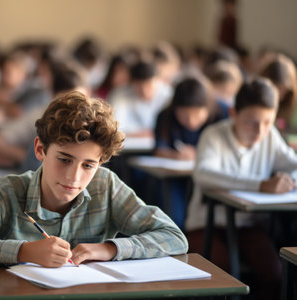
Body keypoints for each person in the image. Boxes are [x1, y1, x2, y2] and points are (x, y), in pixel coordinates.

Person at [0, 91, 188, 268]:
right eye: (64, 159)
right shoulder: (6, 192)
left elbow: (174, 237)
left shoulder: (105, 185)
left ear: (101, 163)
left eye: (88, 165)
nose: (74, 177)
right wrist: (23, 251)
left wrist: (110, 249)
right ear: (40, 150)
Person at [185, 78, 296, 300]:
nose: (260, 130)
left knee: (275, 274)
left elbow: (294, 165)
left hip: (248, 226)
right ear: (234, 112)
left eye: (267, 122)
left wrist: (287, 180)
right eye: (251, 122)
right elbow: (204, 174)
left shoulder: (270, 137)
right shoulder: (214, 135)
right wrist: (261, 185)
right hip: (206, 225)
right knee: (223, 274)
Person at [151, 76, 229, 228]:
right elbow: (159, 149)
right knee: (175, 216)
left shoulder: (222, 112)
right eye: (184, 116)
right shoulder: (165, 115)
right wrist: (176, 155)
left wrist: (200, 153)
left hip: (212, 177)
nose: (191, 121)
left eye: (198, 115)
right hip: (176, 176)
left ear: (208, 108)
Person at [108, 60, 173, 137]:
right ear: (131, 83)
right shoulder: (119, 95)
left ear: (158, 81)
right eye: (139, 87)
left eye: (149, 86)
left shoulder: (168, 94)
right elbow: (115, 128)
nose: (144, 91)